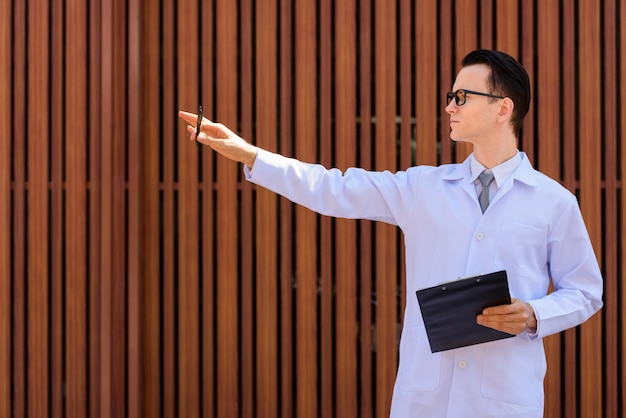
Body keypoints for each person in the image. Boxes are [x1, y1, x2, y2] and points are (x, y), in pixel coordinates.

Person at [178, 49, 603, 417]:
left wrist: (534, 315)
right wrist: (251, 154)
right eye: (449, 97)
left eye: (461, 97)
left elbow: (585, 290)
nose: (449, 107)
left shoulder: (554, 201)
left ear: (503, 108)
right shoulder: (422, 187)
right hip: (425, 398)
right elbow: (333, 187)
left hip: (504, 399)